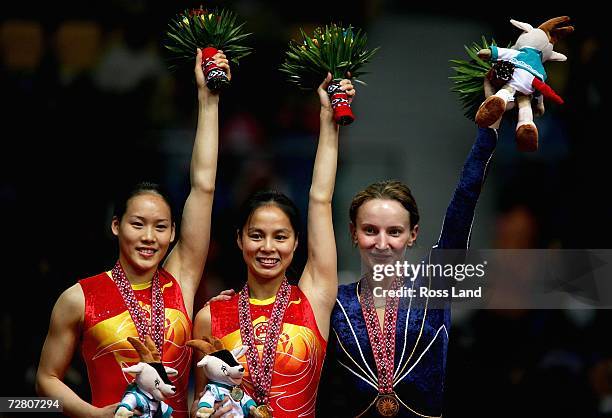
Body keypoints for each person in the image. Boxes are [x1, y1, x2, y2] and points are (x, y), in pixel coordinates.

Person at [35, 49, 229, 418]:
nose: (148, 237)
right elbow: (47, 378)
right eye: (137, 224)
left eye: (160, 227)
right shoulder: (79, 298)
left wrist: (208, 100)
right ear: (116, 226)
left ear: (173, 233)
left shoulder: (180, 280)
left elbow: (203, 187)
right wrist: (94, 414)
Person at [318, 88, 501, 417]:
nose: (382, 243)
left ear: (413, 235)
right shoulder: (335, 302)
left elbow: (464, 203)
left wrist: (488, 131)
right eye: (370, 230)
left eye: (395, 231)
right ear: (353, 234)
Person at [191, 74, 355, 418]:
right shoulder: (210, 317)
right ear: (239, 240)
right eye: (256, 235)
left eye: (280, 236)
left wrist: (328, 121)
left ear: (296, 243)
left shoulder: (314, 298)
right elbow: (199, 402)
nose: (268, 247)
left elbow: (320, 199)